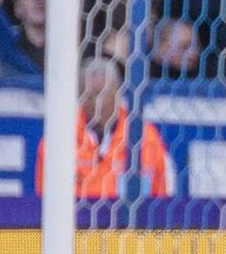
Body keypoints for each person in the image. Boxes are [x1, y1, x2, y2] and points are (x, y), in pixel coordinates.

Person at [37, 57, 170, 199]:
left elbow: (159, 198)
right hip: (75, 220)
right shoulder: (59, 138)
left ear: (117, 93)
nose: (96, 103)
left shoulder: (143, 136)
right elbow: (44, 198)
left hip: (128, 220)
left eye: (102, 94)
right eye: (89, 95)